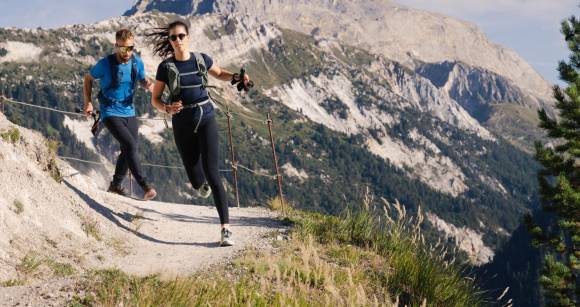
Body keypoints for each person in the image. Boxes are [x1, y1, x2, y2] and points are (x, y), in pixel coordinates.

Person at [147, 20, 251, 246]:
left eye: (181, 36)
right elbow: (155, 99)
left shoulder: (201, 59)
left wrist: (236, 77)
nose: (177, 41)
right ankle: (198, 184)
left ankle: (225, 229)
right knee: (196, 178)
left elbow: (220, 73)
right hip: (182, 122)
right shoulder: (165, 67)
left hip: (206, 117)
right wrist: (166, 108)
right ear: (169, 41)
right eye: (173, 37)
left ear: (188, 37)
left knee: (212, 173)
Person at [83, 28, 157, 201]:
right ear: (116, 46)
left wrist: (153, 88)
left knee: (129, 147)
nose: (127, 52)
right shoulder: (105, 64)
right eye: (123, 48)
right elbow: (88, 79)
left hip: (129, 111)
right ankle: (145, 185)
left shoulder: (136, 62)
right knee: (130, 145)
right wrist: (88, 102)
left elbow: (142, 80)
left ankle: (115, 185)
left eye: (130, 48)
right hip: (109, 111)